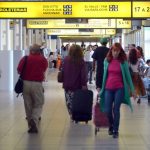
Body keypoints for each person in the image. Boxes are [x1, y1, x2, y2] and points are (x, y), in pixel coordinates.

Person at [100, 43, 135, 138]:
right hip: (108, 88)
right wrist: (100, 87)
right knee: (107, 110)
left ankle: (115, 130)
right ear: (111, 50)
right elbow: (104, 76)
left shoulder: (123, 62)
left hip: (119, 89)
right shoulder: (106, 61)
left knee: (116, 110)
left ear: (120, 51)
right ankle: (110, 126)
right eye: (114, 50)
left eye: (117, 51)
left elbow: (128, 77)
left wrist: (133, 90)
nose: (115, 53)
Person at [17, 44, 48, 133]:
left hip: (25, 84)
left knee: (28, 104)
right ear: (39, 51)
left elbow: (19, 70)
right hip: (37, 84)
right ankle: (34, 120)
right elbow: (44, 68)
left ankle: (31, 124)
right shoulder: (43, 59)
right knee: (39, 103)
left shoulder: (25, 58)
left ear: (30, 51)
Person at [62, 44, 87, 118]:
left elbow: (62, 70)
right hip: (77, 86)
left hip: (67, 85)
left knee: (69, 101)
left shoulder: (66, 59)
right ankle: (76, 114)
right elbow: (83, 75)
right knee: (77, 101)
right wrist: (84, 84)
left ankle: (71, 114)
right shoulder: (81, 61)